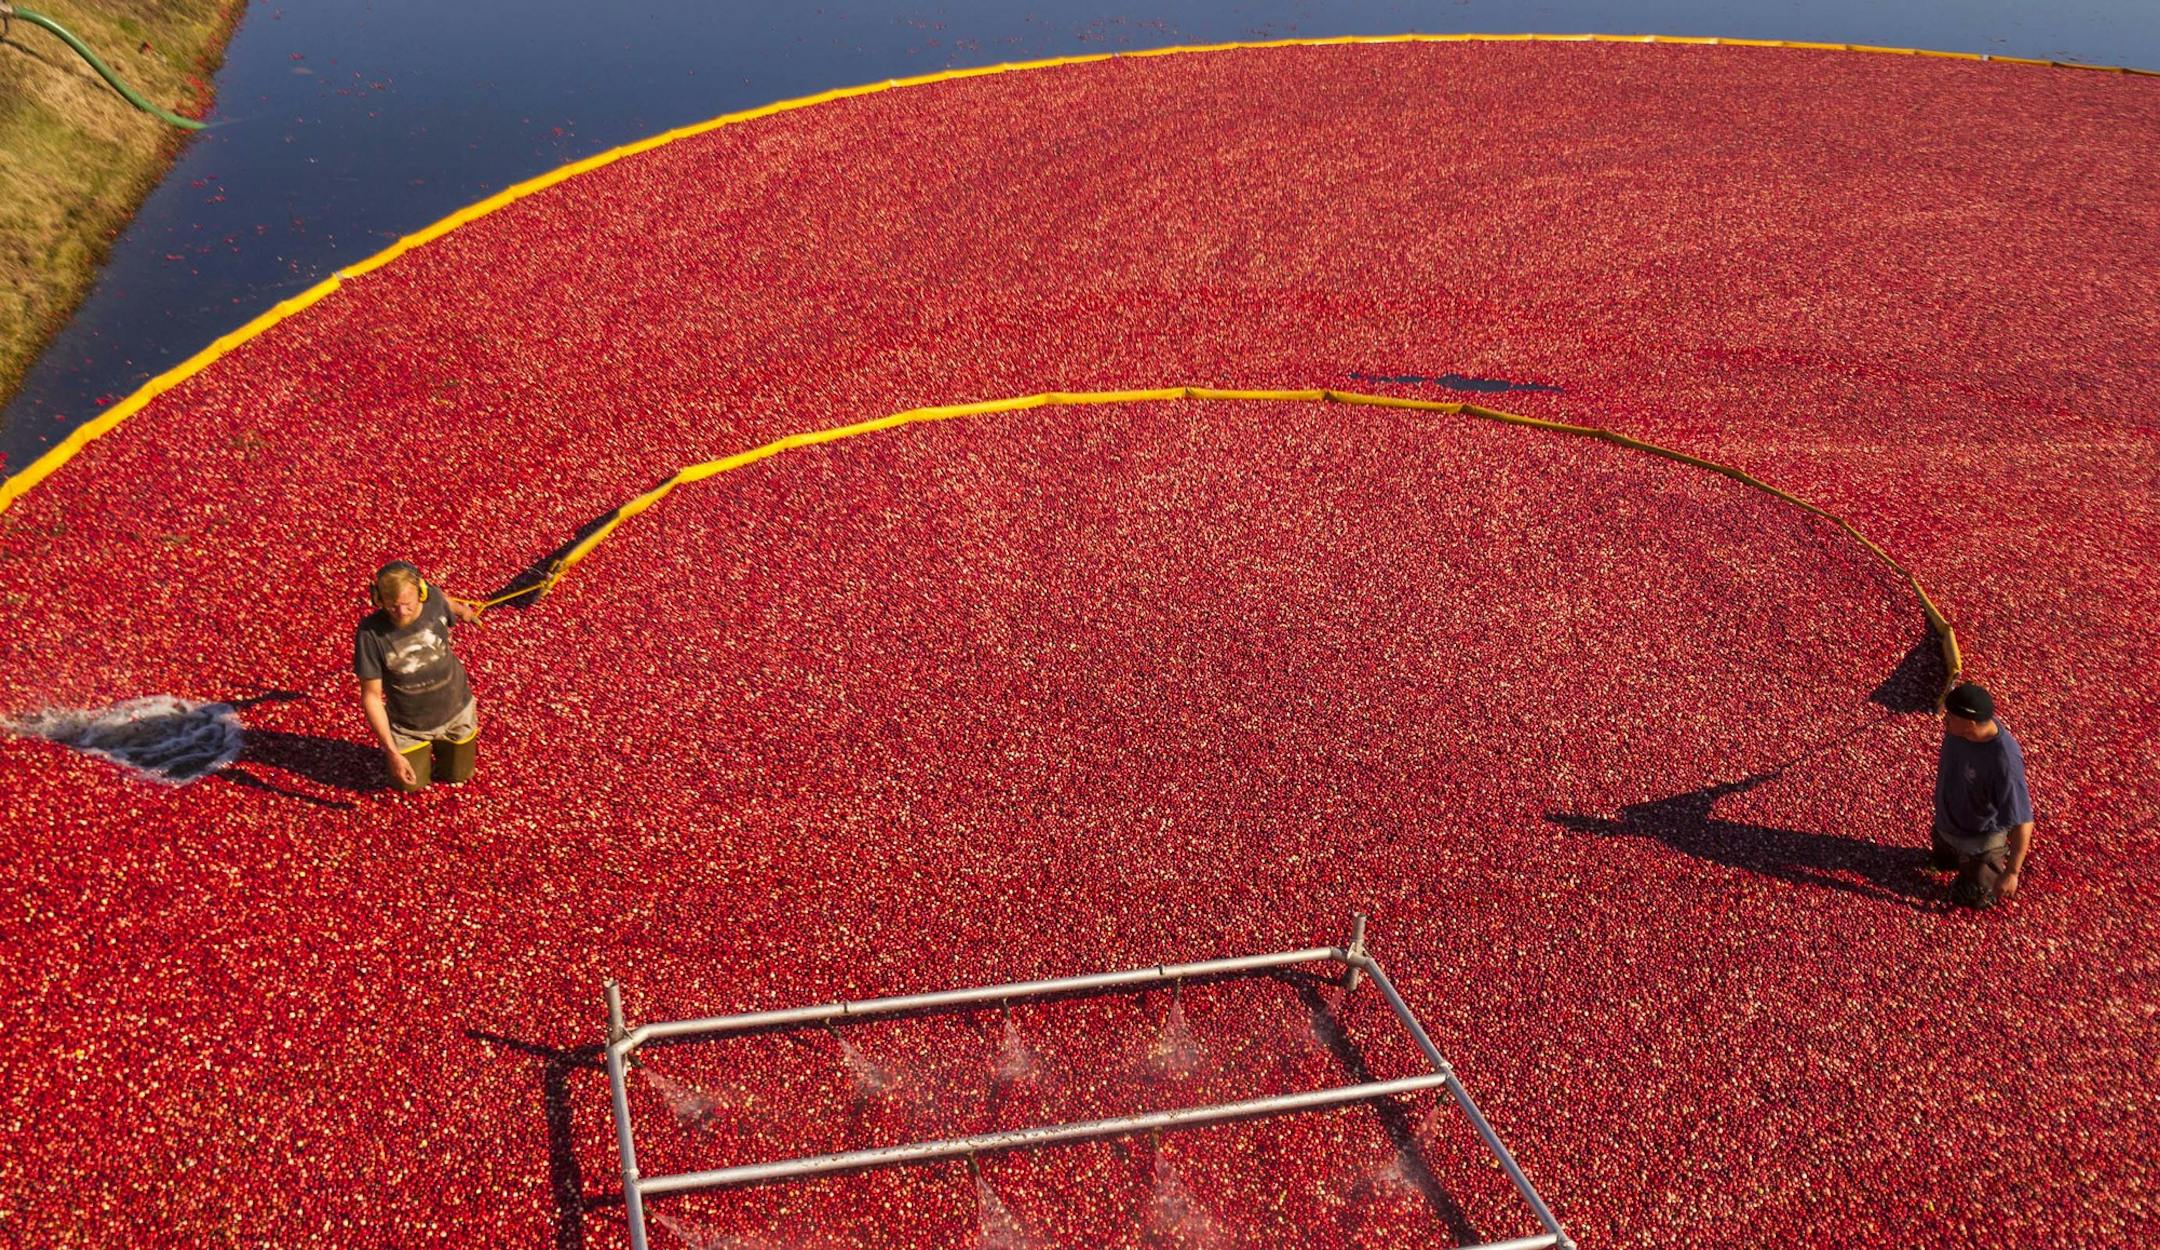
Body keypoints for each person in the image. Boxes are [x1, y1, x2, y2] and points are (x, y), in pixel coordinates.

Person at [354, 561, 482, 792]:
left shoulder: (433, 599)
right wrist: (392, 752)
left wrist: (464, 611)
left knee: (459, 774)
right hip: (409, 726)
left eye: (408, 605)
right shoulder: (370, 634)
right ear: (378, 600)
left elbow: (444, 601)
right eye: (392, 607)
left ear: (421, 594)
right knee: (406, 785)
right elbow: (371, 697)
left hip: (456, 709)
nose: (401, 613)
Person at [1931, 682, 2034, 909]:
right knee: (1942, 861)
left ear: (1970, 723)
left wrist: (2012, 872)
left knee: (1974, 898)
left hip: (1979, 839)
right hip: (1946, 823)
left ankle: (1983, 873)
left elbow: (2023, 821)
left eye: (1950, 715)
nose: (1943, 719)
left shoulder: (2003, 761)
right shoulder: (1959, 729)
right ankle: (1952, 855)